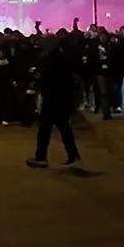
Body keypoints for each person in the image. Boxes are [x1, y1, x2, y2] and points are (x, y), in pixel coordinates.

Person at [27, 32, 81, 169]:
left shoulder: (53, 58)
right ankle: (72, 155)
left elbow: (52, 78)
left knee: (46, 129)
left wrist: (39, 82)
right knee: (62, 128)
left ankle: (41, 157)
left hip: (54, 98)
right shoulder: (58, 56)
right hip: (58, 98)